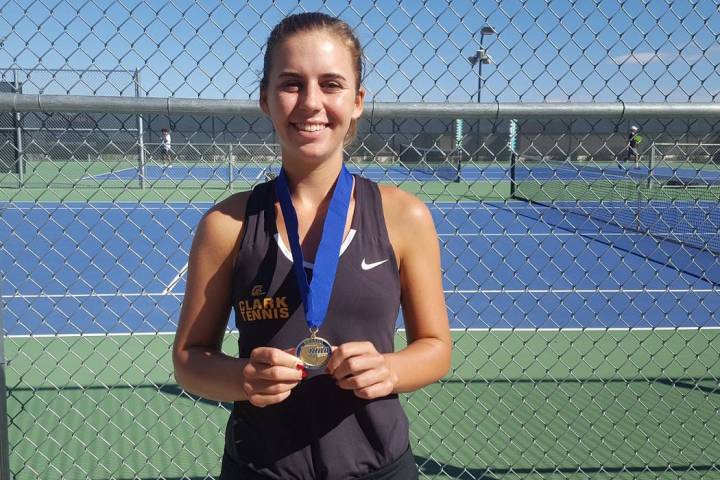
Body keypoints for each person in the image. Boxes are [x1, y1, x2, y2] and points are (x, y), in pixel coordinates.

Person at [172, 11, 451, 480]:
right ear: (265, 98)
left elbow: (436, 347)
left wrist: (389, 370)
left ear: (357, 101)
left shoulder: (405, 216)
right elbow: (188, 359)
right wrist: (242, 378)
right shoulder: (226, 224)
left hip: (380, 467)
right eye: (291, 83)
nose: (311, 102)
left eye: (331, 84)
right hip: (260, 468)